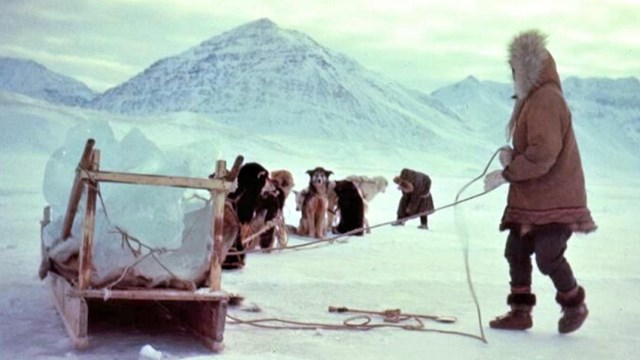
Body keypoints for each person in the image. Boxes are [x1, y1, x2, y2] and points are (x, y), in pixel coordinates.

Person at [484, 30, 596, 334]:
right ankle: (520, 312)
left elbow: (543, 155)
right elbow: (535, 150)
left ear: (529, 69)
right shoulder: (533, 100)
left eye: (516, 69)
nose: (513, 75)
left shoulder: (545, 100)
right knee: (517, 250)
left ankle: (574, 304)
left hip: (555, 198)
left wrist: (508, 173)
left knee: (548, 255)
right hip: (534, 198)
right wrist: (512, 156)